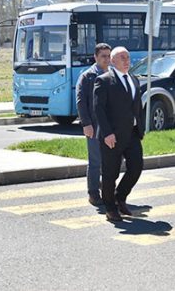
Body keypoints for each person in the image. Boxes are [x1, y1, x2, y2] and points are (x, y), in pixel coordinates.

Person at [93, 46, 145, 222]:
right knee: (110, 173)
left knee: (136, 167)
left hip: (132, 134)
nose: (126, 60)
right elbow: (98, 109)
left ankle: (120, 196)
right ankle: (110, 208)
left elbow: (137, 106)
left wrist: (141, 127)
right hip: (112, 136)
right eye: (122, 57)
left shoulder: (134, 79)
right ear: (113, 61)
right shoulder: (104, 80)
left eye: (128, 57)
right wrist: (107, 133)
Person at [75, 43, 112, 206]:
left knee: (110, 161)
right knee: (95, 161)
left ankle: (107, 189)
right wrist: (86, 123)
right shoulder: (87, 76)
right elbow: (81, 101)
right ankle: (93, 193)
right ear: (95, 57)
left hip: (110, 127)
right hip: (94, 127)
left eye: (108, 56)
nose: (107, 59)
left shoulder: (113, 74)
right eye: (103, 56)